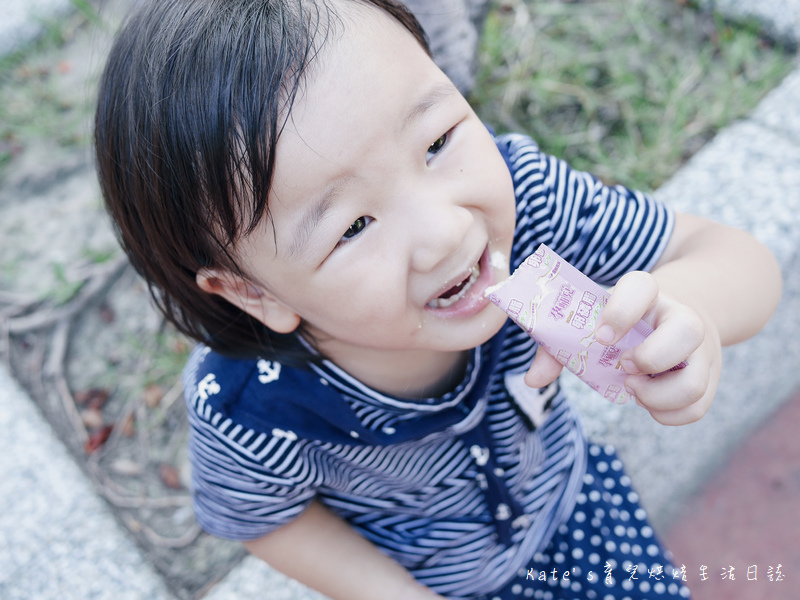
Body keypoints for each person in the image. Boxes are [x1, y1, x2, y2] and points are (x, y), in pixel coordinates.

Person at [93, 1, 782, 599]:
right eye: (353, 227)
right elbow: (264, 520)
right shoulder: (255, 408)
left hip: (574, 516)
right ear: (251, 291)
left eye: (438, 140)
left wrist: (688, 312)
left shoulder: (531, 208)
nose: (448, 230)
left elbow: (735, 259)